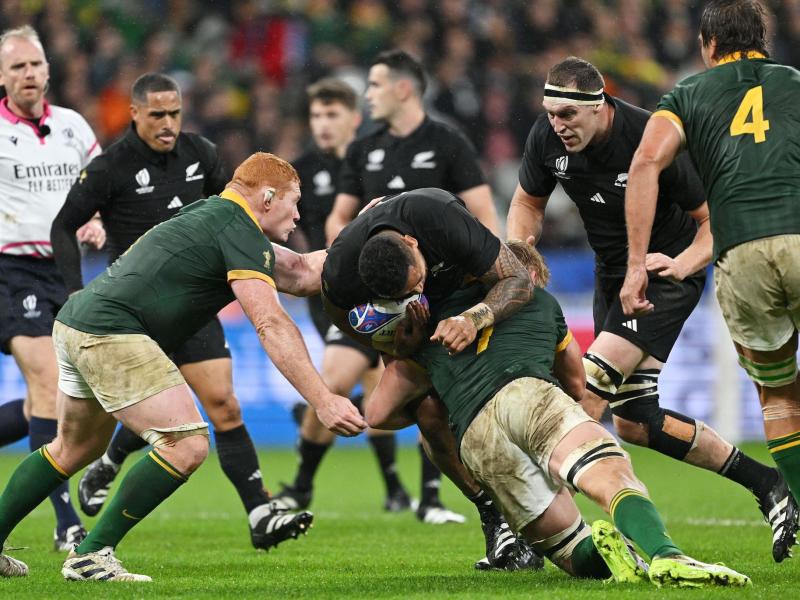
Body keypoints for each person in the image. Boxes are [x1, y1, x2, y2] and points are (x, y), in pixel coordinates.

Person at [0, 152, 366, 581]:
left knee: (72, 449)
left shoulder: (220, 217)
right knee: (186, 445)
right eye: (294, 201)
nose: (298, 214)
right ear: (267, 197)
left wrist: (360, 236)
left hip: (79, 322)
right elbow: (269, 321)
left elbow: (303, 272)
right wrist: (321, 399)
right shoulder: (237, 228)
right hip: (111, 332)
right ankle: (91, 554)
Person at [506, 55, 797, 562]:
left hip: (664, 272)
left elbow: (712, 218)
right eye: (550, 113)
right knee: (636, 421)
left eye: (568, 116)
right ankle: (769, 483)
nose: (558, 125)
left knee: (587, 393)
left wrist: (682, 265)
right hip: (611, 276)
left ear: (601, 107)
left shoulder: (649, 137)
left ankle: (540, 535)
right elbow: (528, 202)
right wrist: (520, 254)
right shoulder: (546, 137)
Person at [367, 241, 751, 588]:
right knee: (610, 474)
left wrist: (420, 363)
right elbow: (577, 383)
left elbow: (378, 413)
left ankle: (611, 559)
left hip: (475, 438)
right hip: (528, 395)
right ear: (528, 276)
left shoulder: (436, 320)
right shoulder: (540, 303)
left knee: (566, 547)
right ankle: (667, 555)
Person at [49, 72, 286, 550]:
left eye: (174, 113)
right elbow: (63, 226)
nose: (167, 123)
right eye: (156, 114)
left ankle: (259, 511)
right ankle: (109, 465)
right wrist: (73, 290)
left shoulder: (203, 155)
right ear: (134, 113)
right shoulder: (109, 167)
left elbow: (236, 213)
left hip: (195, 304)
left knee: (223, 403)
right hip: (133, 315)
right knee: (159, 418)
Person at [621, 0, 800, 530]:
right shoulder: (793, 81)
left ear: (708, 45)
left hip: (741, 251)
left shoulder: (686, 94)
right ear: (762, 40)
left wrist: (637, 264)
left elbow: (647, 162)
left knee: (778, 390)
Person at [322, 186, 544, 569]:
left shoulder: (438, 215)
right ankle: (493, 516)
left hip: (478, 306)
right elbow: (367, 338)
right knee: (403, 414)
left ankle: (548, 497)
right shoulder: (340, 279)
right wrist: (402, 346)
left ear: (413, 242)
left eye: (418, 280)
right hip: (423, 334)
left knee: (534, 396)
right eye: (405, 294)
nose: (418, 292)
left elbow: (519, 281)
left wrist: (473, 319)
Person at [323, 49, 499, 522]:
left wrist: (486, 282)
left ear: (403, 88)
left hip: (450, 287)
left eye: (375, 85)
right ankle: (478, 506)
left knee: (450, 403)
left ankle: (459, 497)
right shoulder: (364, 148)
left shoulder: (448, 142)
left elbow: (483, 215)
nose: (368, 95)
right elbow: (341, 217)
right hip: (384, 287)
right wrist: (348, 250)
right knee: (405, 406)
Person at [274, 78, 414, 514]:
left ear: (355, 119)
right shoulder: (297, 172)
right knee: (338, 381)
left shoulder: (372, 163)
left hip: (381, 290)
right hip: (330, 296)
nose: (323, 124)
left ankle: (388, 491)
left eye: (332, 115)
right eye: (316, 115)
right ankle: (309, 482)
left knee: (373, 385)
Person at [0, 25, 105, 551]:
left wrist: (97, 221)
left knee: (54, 402)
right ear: (2, 77)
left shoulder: (73, 127)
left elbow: (99, 189)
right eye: (17, 66)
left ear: (48, 69)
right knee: (48, 384)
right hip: (9, 270)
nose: (28, 74)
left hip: (65, 273)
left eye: (35, 64)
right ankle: (67, 525)